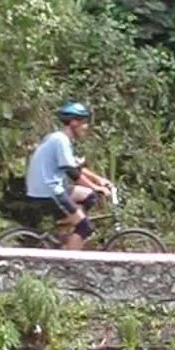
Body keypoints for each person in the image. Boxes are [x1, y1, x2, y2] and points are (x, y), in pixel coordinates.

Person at [24, 103, 113, 250]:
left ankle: (66, 230)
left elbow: (77, 167)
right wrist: (97, 187)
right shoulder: (61, 140)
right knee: (85, 227)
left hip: (50, 187)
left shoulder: (59, 138)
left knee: (90, 196)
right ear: (73, 122)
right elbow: (72, 172)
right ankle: (68, 264)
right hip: (49, 191)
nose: (86, 127)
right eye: (84, 123)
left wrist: (99, 180)